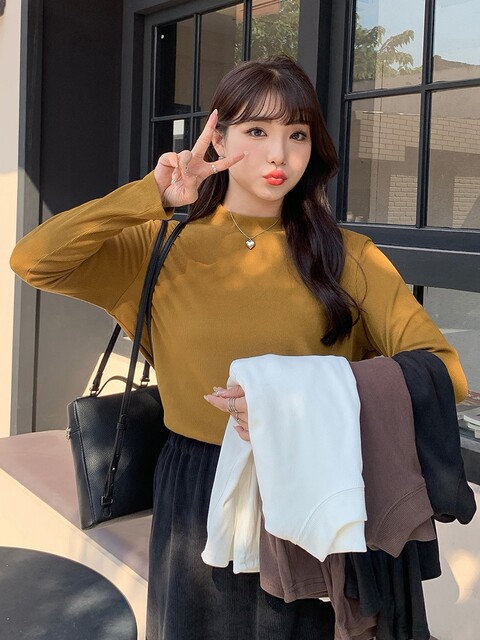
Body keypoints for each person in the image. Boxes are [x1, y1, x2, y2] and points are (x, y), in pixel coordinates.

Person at [10, 56, 467, 639]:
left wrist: (295, 402)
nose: (279, 155)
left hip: (308, 483)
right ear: (218, 139)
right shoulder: (159, 245)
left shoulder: (347, 256)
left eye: (297, 134)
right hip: (194, 482)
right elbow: (34, 260)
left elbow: (444, 371)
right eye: (256, 131)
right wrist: (153, 194)